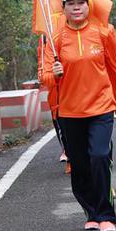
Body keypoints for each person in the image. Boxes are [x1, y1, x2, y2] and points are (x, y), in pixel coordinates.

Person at [41, 0, 116, 231]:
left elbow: (113, 69)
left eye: (81, 2)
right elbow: (44, 77)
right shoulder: (55, 39)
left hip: (101, 107)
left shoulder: (103, 32)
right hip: (69, 111)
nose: (76, 7)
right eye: (71, 3)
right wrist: (53, 75)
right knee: (79, 165)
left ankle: (106, 215)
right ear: (64, 9)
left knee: (100, 156)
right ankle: (91, 211)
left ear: (89, 6)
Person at [37, 34, 70, 174]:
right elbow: (43, 73)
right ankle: (70, 157)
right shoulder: (45, 38)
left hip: (84, 97)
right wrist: (54, 75)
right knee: (64, 130)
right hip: (57, 98)